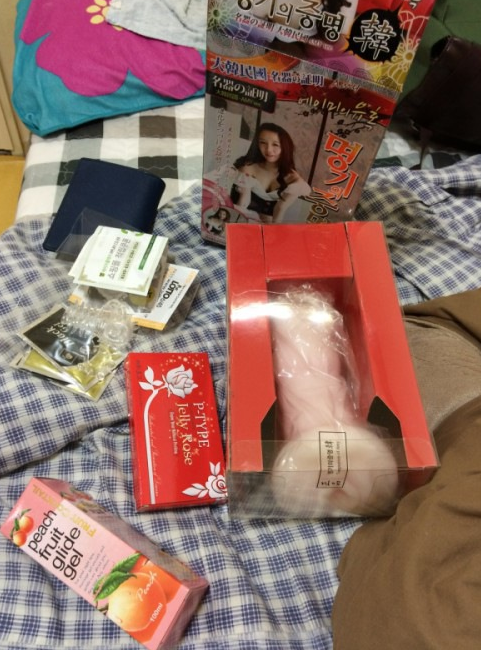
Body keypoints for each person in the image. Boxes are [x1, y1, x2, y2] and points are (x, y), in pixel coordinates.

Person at [231, 122, 311, 224]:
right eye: (263, 143)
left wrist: (273, 231)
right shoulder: (248, 168)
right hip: (243, 218)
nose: (268, 150)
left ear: (285, 148)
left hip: (270, 223)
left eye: (275, 144)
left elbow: (280, 209)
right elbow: (242, 203)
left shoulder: (293, 181)